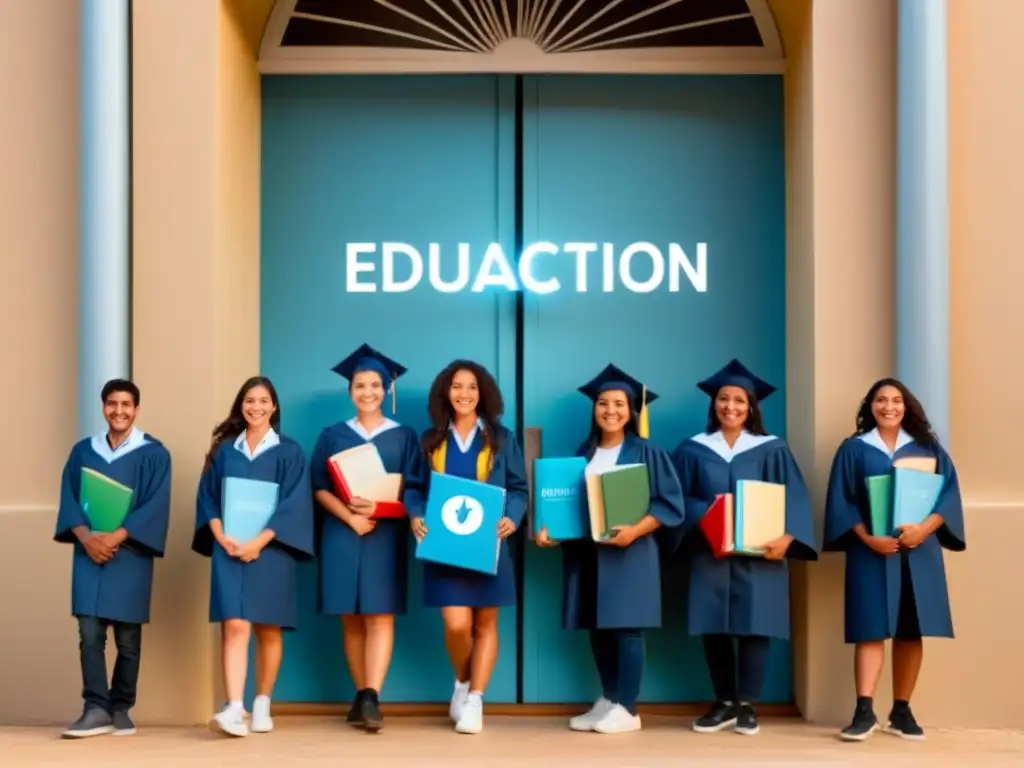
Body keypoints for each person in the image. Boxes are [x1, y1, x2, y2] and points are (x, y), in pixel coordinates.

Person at [669, 359, 817, 736]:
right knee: (713, 625)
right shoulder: (693, 449)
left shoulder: (771, 448)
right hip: (710, 551)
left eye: (739, 400)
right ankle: (723, 702)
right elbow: (676, 498)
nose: (730, 406)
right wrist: (708, 513)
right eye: (723, 399)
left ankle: (748, 704)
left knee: (756, 627)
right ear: (713, 404)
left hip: (760, 552)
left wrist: (788, 537)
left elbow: (795, 498)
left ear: (751, 407)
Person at [536, 364, 685, 734]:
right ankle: (609, 698)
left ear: (632, 410)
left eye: (619, 403)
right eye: (603, 403)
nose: (610, 410)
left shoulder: (647, 452)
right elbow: (569, 505)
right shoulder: (582, 453)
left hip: (630, 553)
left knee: (626, 628)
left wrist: (635, 531)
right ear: (594, 409)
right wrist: (551, 532)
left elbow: (669, 504)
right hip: (589, 554)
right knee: (598, 628)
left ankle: (629, 708)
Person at [823, 377, 966, 742]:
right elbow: (842, 500)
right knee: (870, 626)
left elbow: (948, 495)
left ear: (907, 406)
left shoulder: (927, 448)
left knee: (910, 627)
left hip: (918, 551)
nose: (889, 406)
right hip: (871, 549)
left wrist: (923, 530)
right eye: (881, 400)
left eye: (896, 400)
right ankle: (864, 710)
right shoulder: (854, 448)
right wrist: (868, 538)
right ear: (870, 407)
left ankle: (901, 709)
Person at [309, 344, 425, 732]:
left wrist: (376, 511)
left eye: (375, 385)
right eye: (360, 385)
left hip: (385, 534)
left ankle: (372, 695)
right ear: (350, 391)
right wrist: (350, 518)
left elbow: (414, 489)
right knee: (350, 617)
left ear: (386, 389)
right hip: (343, 533)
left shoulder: (405, 437)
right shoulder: (332, 435)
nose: (368, 392)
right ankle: (361, 695)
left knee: (379, 613)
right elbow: (319, 488)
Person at [410, 359, 528, 735]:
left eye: (472, 387)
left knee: (486, 623)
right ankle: (462, 681)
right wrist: (414, 515)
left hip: (488, 544)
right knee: (457, 623)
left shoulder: (501, 438)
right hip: (444, 546)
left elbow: (519, 488)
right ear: (446, 392)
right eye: (457, 386)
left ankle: (475, 698)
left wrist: (513, 516)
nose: (464, 394)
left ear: (483, 394)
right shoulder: (431, 440)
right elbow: (414, 488)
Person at [193, 376, 315, 737]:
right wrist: (221, 536)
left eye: (263, 401)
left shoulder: (289, 451)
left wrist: (258, 542)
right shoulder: (224, 450)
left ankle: (262, 701)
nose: (256, 407)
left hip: (272, 550)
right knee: (234, 625)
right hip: (228, 547)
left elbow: (294, 504)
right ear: (240, 405)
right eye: (249, 400)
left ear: (274, 407)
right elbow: (207, 498)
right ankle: (234, 707)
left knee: (268, 627)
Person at [54, 379, 172, 739]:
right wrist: (87, 538)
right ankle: (95, 706)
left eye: (126, 404)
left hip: (129, 553)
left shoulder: (154, 453)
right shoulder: (83, 452)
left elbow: (155, 504)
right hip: (88, 551)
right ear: (103, 407)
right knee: (89, 632)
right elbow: (70, 498)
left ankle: (120, 705)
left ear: (136, 409)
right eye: (111, 403)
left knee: (127, 637)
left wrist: (117, 536)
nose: (118, 411)